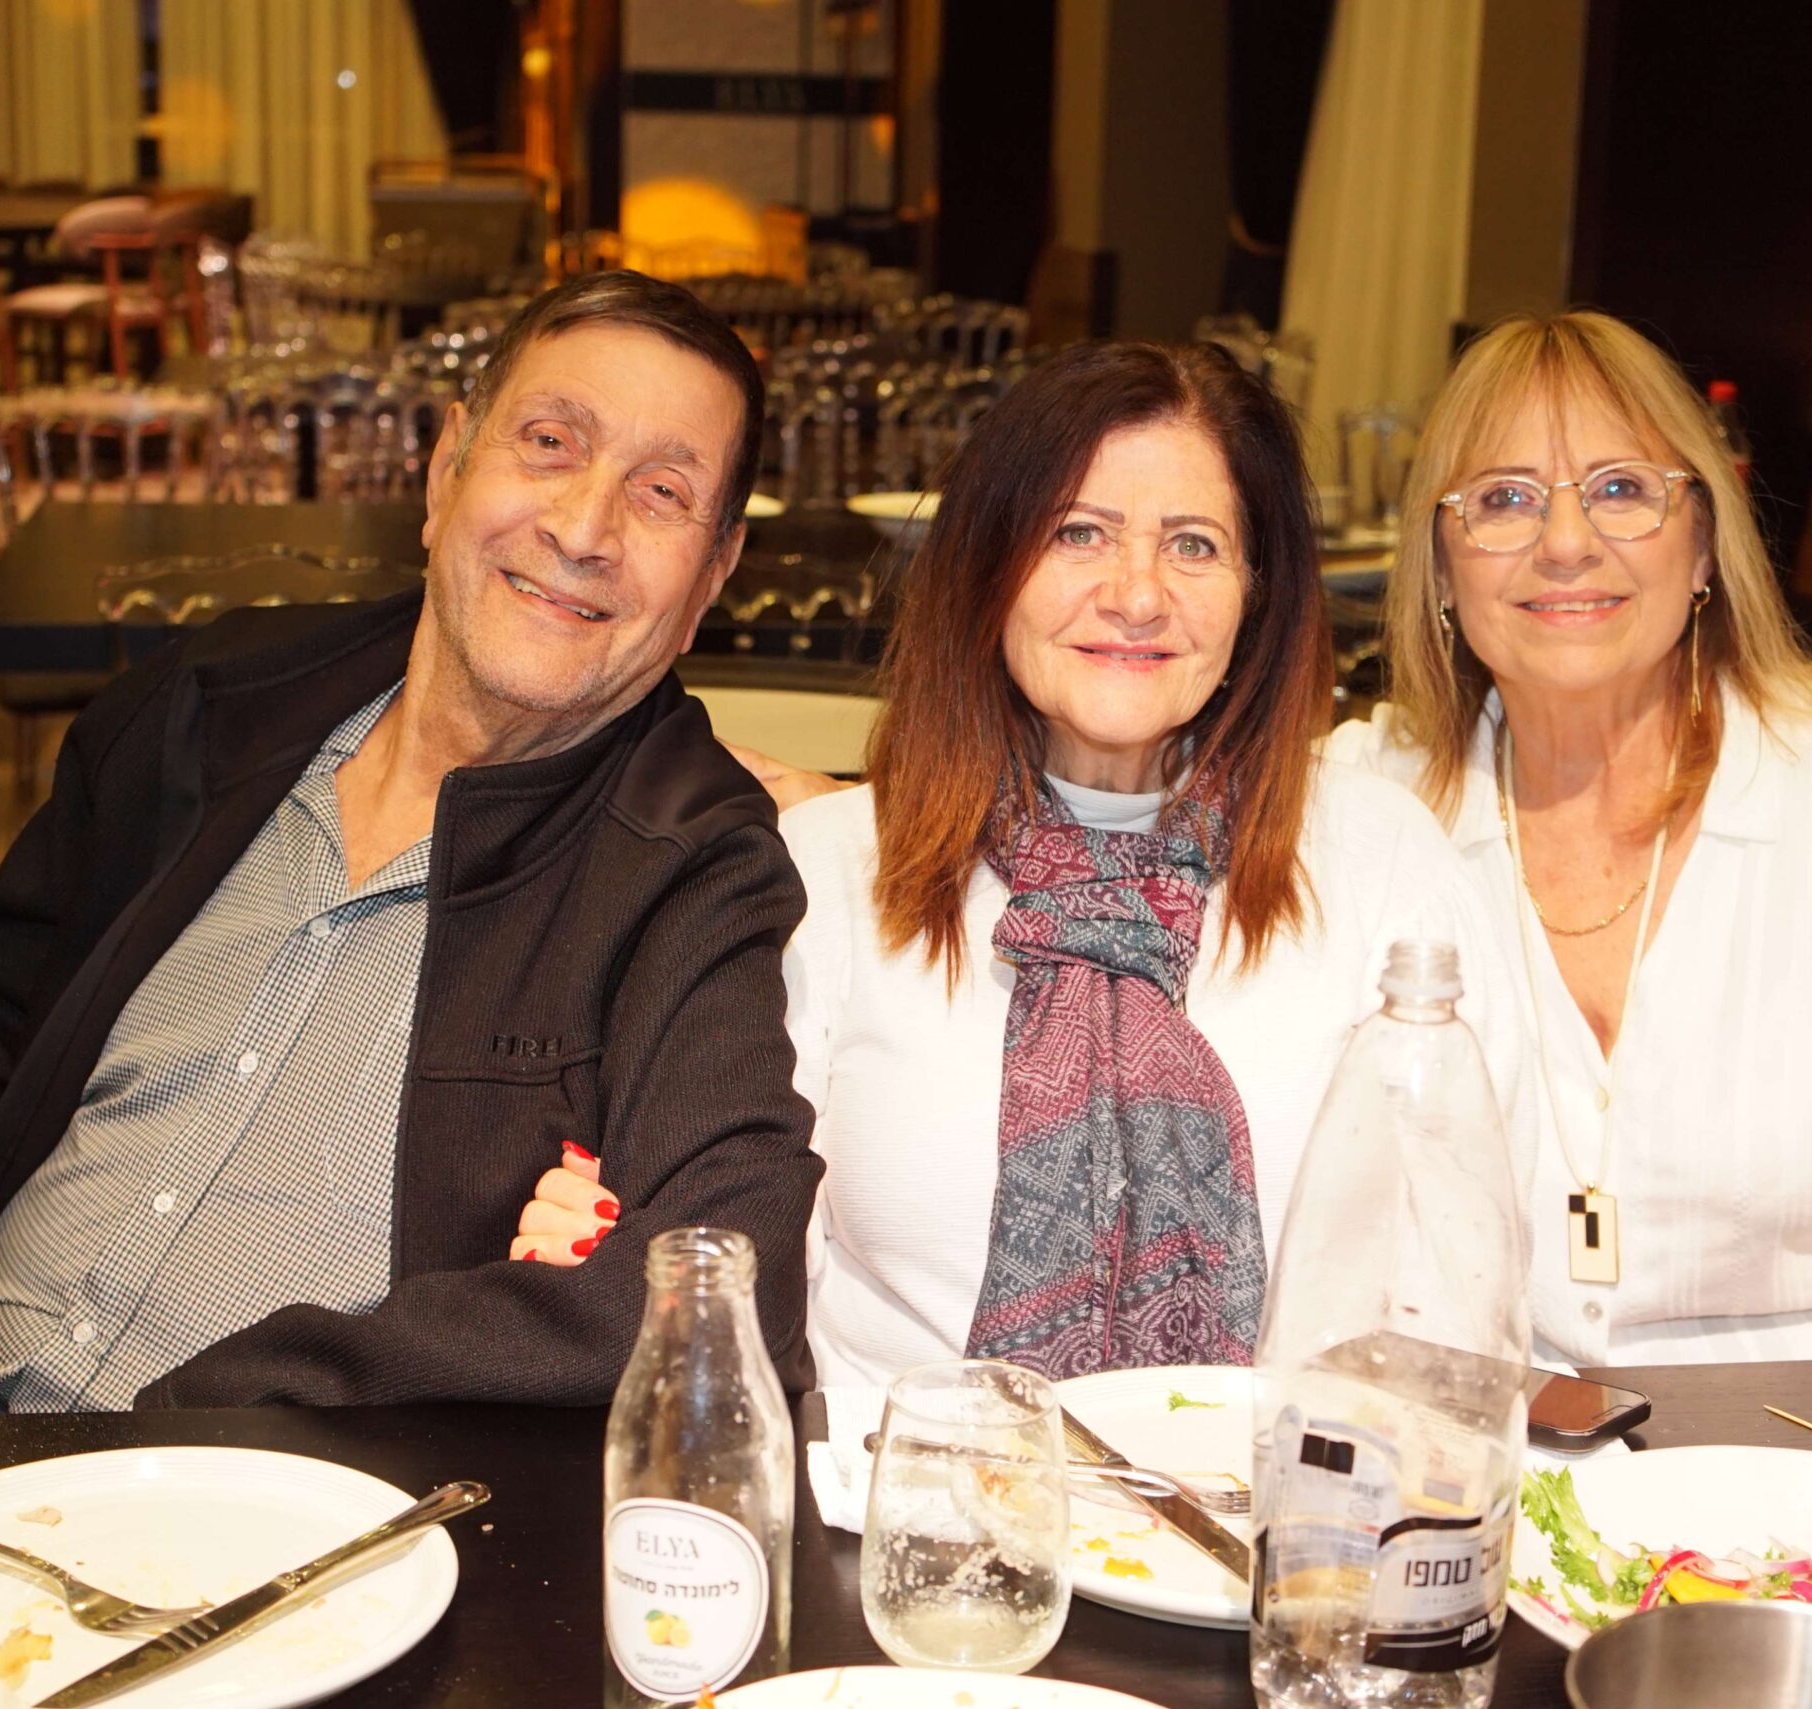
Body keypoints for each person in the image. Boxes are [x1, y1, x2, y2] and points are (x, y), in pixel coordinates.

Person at [0, 272, 821, 1418]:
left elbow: (731, 1286)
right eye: (550, 442)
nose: (582, 527)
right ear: (446, 468)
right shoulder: (213, 703)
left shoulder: (689, 867)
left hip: (282, 1487)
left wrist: (240, 1406)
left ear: (713, 575)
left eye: (662, 492)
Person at [513, 340, 1533, 1389]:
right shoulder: (824, 877)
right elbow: (741, 1290)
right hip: (897, 1479)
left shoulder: (1379, 864)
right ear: (990, 568)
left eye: (1193, 545)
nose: (1136, 594)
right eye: (1078, 532)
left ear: (1256, 594)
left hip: (1292, 1480)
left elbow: (1468, 1279)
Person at [1323, 309, 1812, 1364]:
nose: (1566, 542)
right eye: (1503, 498)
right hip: (1460, 1443)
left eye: (1621, 489)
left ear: (1703, 545)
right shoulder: (1362, 812)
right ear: (1440, 569)